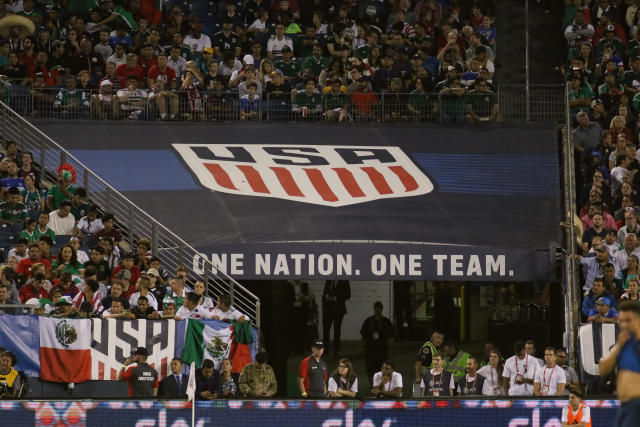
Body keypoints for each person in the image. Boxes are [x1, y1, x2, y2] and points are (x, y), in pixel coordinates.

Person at [599, 300, 640, 427]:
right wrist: (619, 346)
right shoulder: (623, 343)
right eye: (621, 321)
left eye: (628, 321)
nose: (623, 325)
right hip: (624, 405)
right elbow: (603, 369)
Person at [360, 301, 394, 384]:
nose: (377, 310)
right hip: (370, 350)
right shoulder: (368, 321)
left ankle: (380, 386)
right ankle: (372, 385)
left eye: (379, 308)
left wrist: (389, 349)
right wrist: (363, 348)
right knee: (369, 369)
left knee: (382, 370)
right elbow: (363, 336)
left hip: (382, 350)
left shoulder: (386, 321)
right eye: (376, 308)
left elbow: (391, 337)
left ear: (382, 309)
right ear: (374, 309)